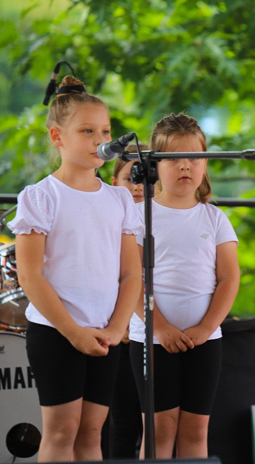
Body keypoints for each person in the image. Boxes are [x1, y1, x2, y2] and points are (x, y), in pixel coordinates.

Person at [10, 75, 144, 462]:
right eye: (87, 131)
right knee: (62, 431)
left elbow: (131, 273)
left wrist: (118, 327)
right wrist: (73, 332)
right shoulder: (40, 197)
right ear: (57, 137)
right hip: (57, 332)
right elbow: (30, 275)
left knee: (92, 435)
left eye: (104, 130)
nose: (98, 139)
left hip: (105, 333)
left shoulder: (119, 198)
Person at [127, 113, 240, 459]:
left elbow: (229, 278)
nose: (185, 166)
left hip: (204, 341)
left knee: (195, 431)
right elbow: (132, 279)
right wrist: (160, 326)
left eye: (194, 157)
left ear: (206, 163)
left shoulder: (214, 218)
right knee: (159, 431)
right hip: (152, 338)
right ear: (156, 165)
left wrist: (206, 327)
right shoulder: (138, 216)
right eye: (174, 158)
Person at [100, 143, 148, 458]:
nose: (139, 186)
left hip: (150, 328)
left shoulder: (161, 217)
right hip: (116, 328)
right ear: (114, 180)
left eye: (146, 178)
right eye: (131, 178)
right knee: (123, 421)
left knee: (154, 423)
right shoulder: (107, 216)